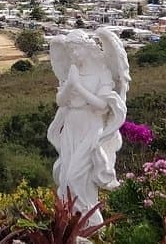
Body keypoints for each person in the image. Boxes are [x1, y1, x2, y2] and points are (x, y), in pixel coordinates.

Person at [47, 28, 129, 225]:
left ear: (86, 48)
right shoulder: (72, 71)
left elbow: (101, 105)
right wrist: (69, 84)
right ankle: (71, 224)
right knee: (66, 177)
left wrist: (78, 86)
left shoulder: (102, 73)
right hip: (71, 126)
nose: (73, 55)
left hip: (90, 126)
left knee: (77, 177)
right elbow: (60, 101)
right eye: (71, 51)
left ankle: (91, 224)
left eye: (77, 50)